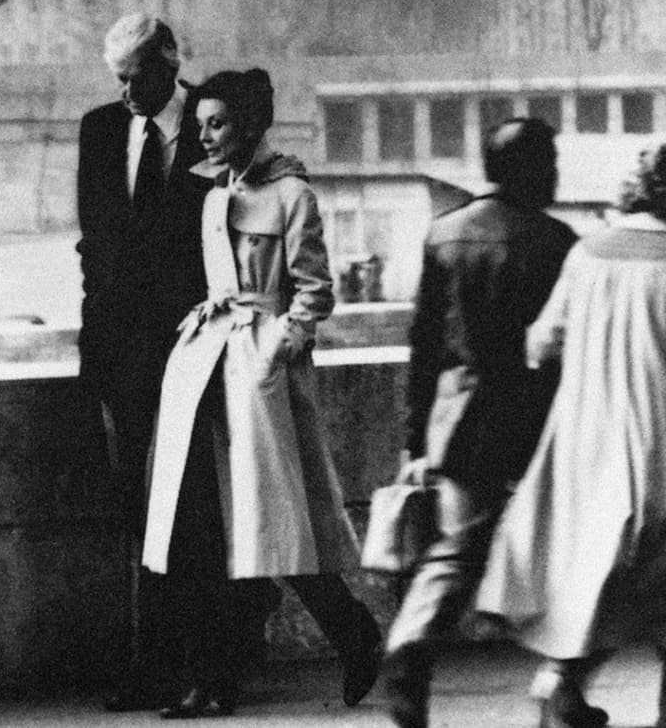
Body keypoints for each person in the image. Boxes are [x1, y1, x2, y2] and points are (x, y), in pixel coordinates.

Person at [142, 67, 382, 718]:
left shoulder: (291, 194)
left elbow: (315, 292)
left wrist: (277, 349)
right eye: (200, 126)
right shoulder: (215, 191)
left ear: (251, 124)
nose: (206, 137)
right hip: (207, 363)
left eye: (217, 124)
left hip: (259, 371)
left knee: (274, 522)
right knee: (207, 527)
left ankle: (353, 631)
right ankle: (215, 675)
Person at [381, 117, 578, 728]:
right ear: (527, 170)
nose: (555, 174)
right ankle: (563, 686)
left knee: (455, 550)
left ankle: (411, 644)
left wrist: (416, 438)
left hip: (461, 414)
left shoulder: (445, 235)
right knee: (570, 552)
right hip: (538, 416)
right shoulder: (557, 241)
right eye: (548, 162)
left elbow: (424, 349)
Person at [478, 143, 666, 728]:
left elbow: (540, 344)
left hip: (589, 437)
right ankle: (567, 685)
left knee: (604, 575)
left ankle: (561, 683)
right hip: (658, 433)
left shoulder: (588, 253)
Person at [77, 13, 213, 709]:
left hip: (195, 346)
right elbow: (93, 246)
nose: (128, 94)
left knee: (193, 511)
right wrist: (95, 335)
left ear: (169, 62)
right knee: (142, 511)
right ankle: (158, 664)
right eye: (119, 81)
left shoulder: (212, 125)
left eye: (137, 78)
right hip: (124, 354)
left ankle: (200, 665)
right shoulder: (100, 130)